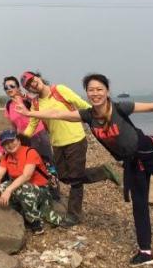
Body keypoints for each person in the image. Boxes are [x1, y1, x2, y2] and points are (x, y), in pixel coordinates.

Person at [16, 73, 153, 266]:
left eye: (99, 89)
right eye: (91, 90)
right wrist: (29, 114)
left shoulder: (119, 107)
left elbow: (148, 107)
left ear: (107, 91)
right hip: (133, 163)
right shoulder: (88, 115)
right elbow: (57, 114)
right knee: (139, 205)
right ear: (87, 93)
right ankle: (145, 252)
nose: (95, 93)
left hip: (150, 151)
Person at [19, 71, 121, 226]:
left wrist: (102, 117)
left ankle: (74, 215)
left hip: (75, 139)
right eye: (28, 85)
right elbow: (32, 125)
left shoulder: (59, 90)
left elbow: (81, 104)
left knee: (75, 180)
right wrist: (18, 142)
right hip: (57, 143)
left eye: (33, 80)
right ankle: (103, 172)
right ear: (29, 90)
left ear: (38, 77)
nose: (33, 84)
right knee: (63, 176)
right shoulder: (35, 105)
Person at [0, 130, 65, 234]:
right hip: (20, 187)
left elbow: (26, 176)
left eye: (12, 141)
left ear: (19, 140)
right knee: (0, 188)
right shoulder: (6, 157)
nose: (10, 145)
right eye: (5, 144)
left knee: (22, 188)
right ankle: (18, 213)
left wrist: (8, 190)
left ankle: (35, 222)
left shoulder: (30, 152)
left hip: (40, 189)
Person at [3, 76, 53, 164]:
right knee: (30, 163)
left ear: (18, 87)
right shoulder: (8, 105)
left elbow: (40, 102)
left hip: (38, 135)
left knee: (46, 162)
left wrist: (24, 96)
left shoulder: (27, 99)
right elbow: (14, 126)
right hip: (24, 138)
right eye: (6, 87)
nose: (9, 89)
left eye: (12, 86)